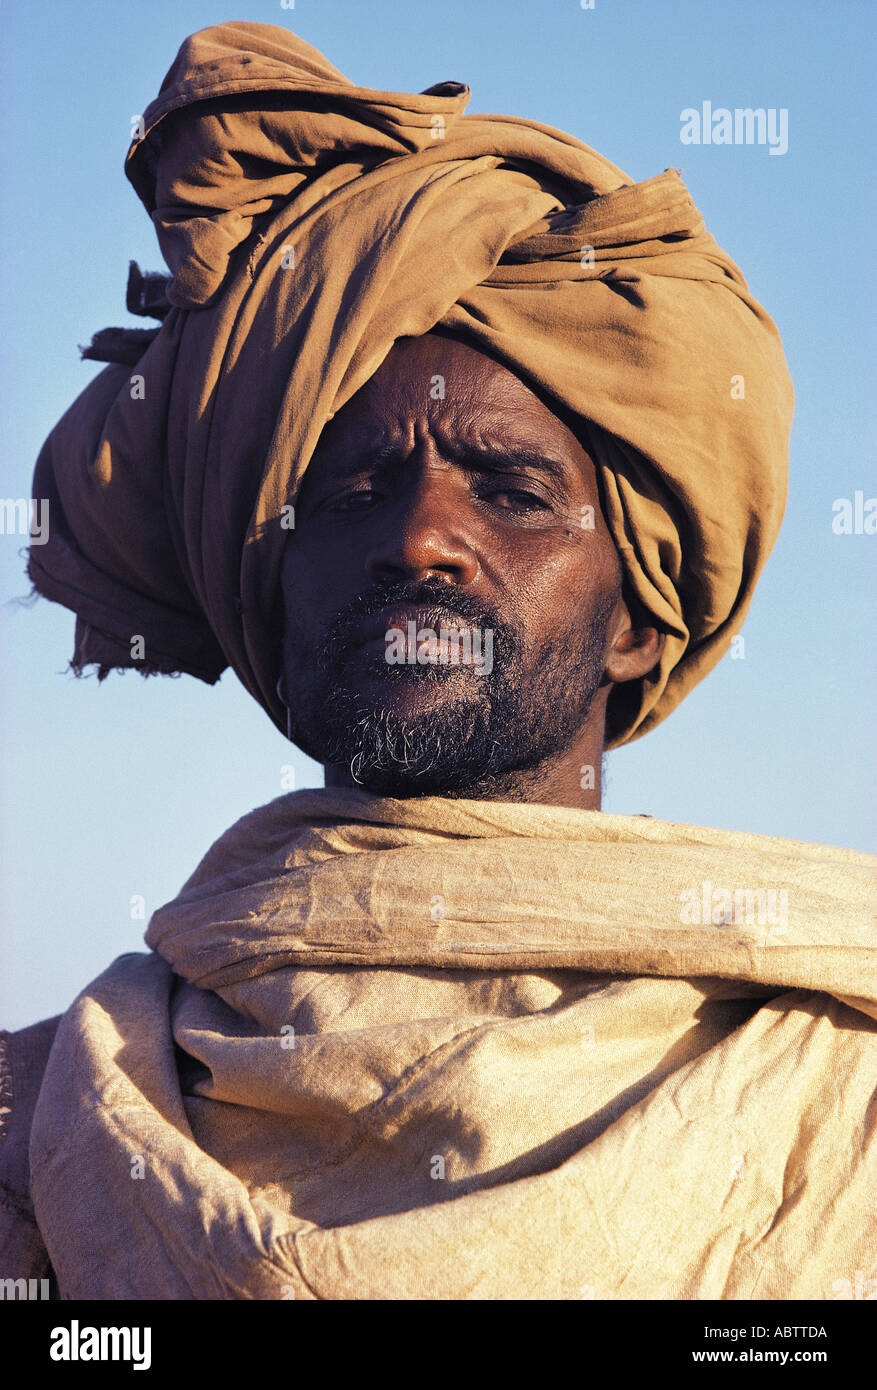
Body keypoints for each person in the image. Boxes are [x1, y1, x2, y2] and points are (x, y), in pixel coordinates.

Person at [2, 22, 873, 1301]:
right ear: (270, 605)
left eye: (513, 495)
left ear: (635, 617)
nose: (420, 540)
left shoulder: (829, 1090)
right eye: (349, 493)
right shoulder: (51, 1126)